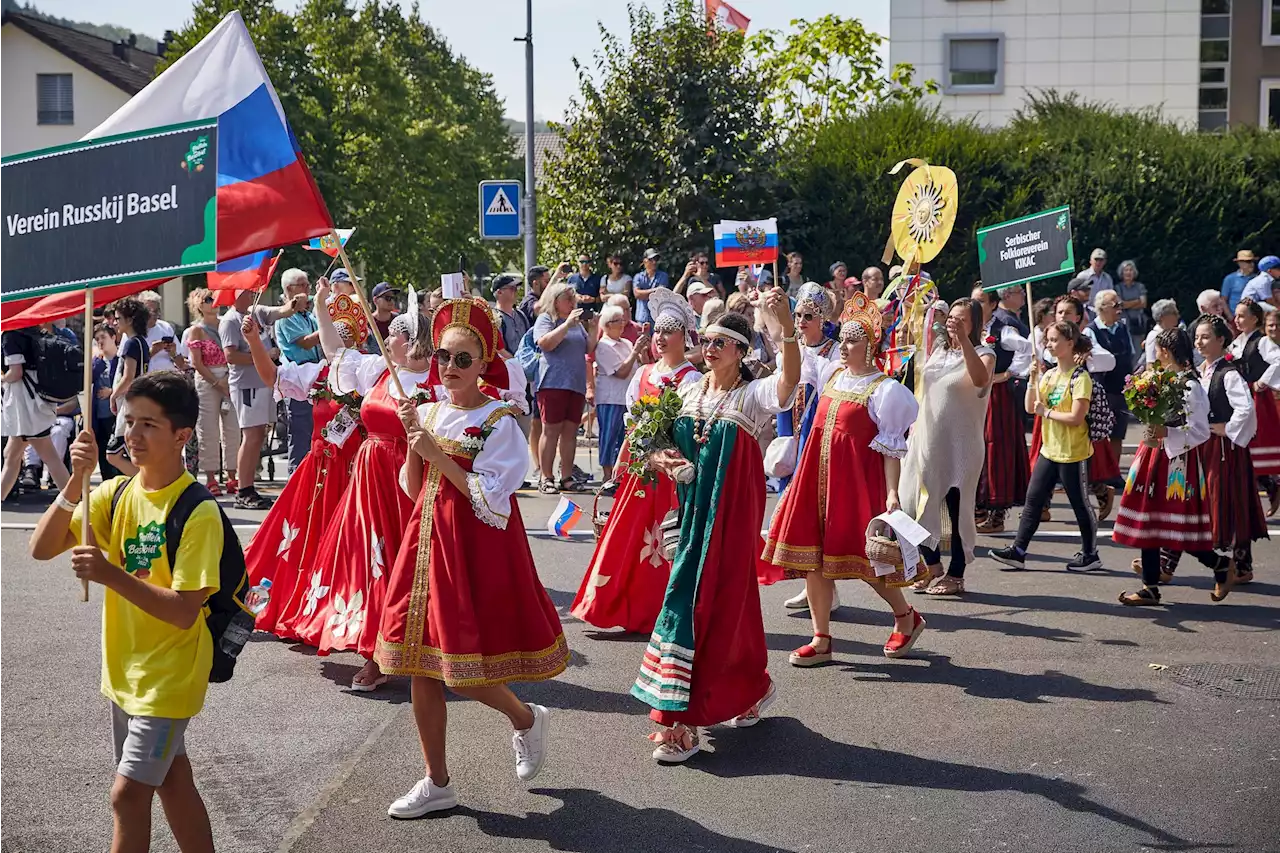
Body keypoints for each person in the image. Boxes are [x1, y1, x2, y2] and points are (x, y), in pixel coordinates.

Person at [378, 299, 567, 818]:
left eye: (463, 359)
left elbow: (492, 501)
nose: (450, 368)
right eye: (443, 357)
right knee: (420, 666)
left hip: (473, 547)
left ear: (485, 363)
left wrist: (437, 454)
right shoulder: (431, 411)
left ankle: (527, 719)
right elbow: (415, 490)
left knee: (464, 668)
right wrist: (415, 445)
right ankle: (436, 781)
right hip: (426, 544)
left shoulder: (500, 419)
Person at [30, 373, 219, 853]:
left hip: (168, 678)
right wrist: (76, 479)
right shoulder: (113, 495)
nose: (132, 435)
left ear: (181, 435)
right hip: (123, 672)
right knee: (173, 780)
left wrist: (110, 574)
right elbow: (41, 547)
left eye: (148, 425)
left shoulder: (197, 510)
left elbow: (183, 612)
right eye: (128, 421)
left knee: (127, 795)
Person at [634, 300, 799, 764]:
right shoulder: (685, 391)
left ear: (740, 351)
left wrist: (785, 327)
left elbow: (787, 382)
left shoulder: (751, 396)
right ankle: (701, 707)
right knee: (695, 600)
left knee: (721, 600)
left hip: (730, 518)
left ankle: (699, 708)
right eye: (704, 340)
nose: (708, 348)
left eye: (719, 342)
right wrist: (661, 457)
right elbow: (653, 441)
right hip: (689, 517)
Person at [276, 282, 433, 691]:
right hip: (367, 478)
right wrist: (321, 307)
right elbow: (334, 352)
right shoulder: (378, 370)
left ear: (410, 341)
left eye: (395, 333)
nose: (387, 337)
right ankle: (373, 654)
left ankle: (421, 646)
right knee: (366, 564)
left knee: (405, 564)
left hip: (406, 480)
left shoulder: (433, 384)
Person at [762, 291, 923, 663]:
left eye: (854, 340)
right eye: (845, 338)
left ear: (870, 346)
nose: (846, 345)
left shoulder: (885, 391)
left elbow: (891, 449)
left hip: (852, 486)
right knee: (812, 559)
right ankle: (821, 638)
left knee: (868, 561)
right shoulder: (828, 371)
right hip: (813, 479)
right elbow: (791, 358)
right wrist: (785, 322)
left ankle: (906, 617)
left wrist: (893, 494)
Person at [242, 296, 368, 644]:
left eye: (344, 335)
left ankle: (338, 616)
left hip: (356, 475)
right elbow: (271, 377)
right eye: (332, 333)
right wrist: (254, 341)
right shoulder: (316, 374)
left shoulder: (367, 373)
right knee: (294, 542)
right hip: (317, 471)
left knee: (351, 550)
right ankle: (284, 605)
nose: (336, 341)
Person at [572, 290, 699, 635]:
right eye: (657, 331)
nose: (660, 338)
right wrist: (620, 465)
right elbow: (632, 427)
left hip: (671, 475)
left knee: (663, 541)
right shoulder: (643, 373)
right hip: (640, 473)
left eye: (668, 331)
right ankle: (612, 606)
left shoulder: (692, 380)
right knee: (627, 538)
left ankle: (659, 611)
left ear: (684, 338)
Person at [1158, 314, 1268, 587]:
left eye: (1206, 337)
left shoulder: (1228, 374)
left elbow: (1246, 409)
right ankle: (1167, 563)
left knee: (1227, 503)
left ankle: (1240, 564)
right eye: (1197, 337)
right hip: (1199, 446)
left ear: (1221, 340)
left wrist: (1226, 428)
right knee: (1192, 502)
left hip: (1222, 450)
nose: (1199, 342)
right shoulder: (1200, 373)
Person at [1115, 328, 1216, 605]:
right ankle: (1149, 587)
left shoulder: (1190, 386)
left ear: (1166, 352)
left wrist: (1166, 433)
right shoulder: (1162, 379)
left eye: (1158, 349)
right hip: (1153, 456)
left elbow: (1201, 431)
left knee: (1177, 528)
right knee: (1149, 523)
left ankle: (1219, 565)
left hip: (1176, 462)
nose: (1155, 354)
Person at [991, 321, 1101, 572]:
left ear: (1070, 343)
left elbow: (1076, 417)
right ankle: (1018, 550)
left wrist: (1047, 413)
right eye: (1048, 340)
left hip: (1073, 452)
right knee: (1033, 500)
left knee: (1079, 503)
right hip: (1049, 450)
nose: (1049, 344)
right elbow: (1031, 407)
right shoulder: (1049, 375)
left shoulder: (1080, 377)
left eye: (1054, 340)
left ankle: (1090, 554)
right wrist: (1032, 379)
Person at [905, 298, 996, 597]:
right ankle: (931, 563)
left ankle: (956, 573)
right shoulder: (938, 352)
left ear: (975, 325)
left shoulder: (985, 353)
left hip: (961, 446)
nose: (954, 324)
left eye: (963, 320)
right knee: (911, 504)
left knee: (957, 510)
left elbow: (981, 379)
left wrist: (966, 342)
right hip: (927, 442)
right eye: (952, 319)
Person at [776, 284, 842, 611]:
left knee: (818, 513)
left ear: (822, 319)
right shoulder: (794, 348)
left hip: (821, 436)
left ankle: (825, 590)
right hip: (795, 431)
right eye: (798, 315)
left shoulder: (834, 351)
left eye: (808, 316)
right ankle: (812, 586)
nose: (801, 321)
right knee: (799, 512)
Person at [220, 290, 297, 510]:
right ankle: (243, 490)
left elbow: (281, 311)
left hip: (263, 384)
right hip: (246, 385)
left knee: (257, 435)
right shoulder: (230, 321)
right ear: (235, 294)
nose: (254, 293)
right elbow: (231, 356)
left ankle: (248, 487)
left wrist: (293, 303)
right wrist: (262, 356)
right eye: (248, 291)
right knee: (251, 435)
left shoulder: (258, 312)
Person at [533, 282, 596, 493]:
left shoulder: (576, 323)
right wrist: (566, 324)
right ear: (555, 300)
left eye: (573, 298)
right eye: (567, 299)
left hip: (574, 383)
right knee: (550, 431)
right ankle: (546, 476)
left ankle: (566, 476)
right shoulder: (546, 319)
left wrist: (594, 328)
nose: (572, 302)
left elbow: (588, 348)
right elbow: (544, 343)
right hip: (553, 382)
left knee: (570, 432)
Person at [0, 325, 73, 501]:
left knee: (47, 455)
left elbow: (15, 372)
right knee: (11, 454)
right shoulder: (33, 330)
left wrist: (2, 378)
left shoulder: (11, 335)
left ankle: (74, 501)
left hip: (25, 403)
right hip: (36, 400)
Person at [183, 289, 240, 496]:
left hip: (229, 377)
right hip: (208, 381)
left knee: (233, 429)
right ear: (198, 305)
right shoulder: (196, 331)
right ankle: (211, 477)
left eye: (214, 299)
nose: (213, 303)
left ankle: (233, 475)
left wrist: (226, 380)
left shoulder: (226, 323)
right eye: (208, 300)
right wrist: (217, 382)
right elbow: (196, 362)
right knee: (208, 430)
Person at [1231, 298, 1280, 512]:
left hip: (1257, 398)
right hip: (1240, 398)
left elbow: (1279, 359)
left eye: (1242, 316)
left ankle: (1269, 486)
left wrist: (1263, 381)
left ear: (1254, 318)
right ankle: (1268, 487)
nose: (1237, 320)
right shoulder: (1236, 342)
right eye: (1236, 315)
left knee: (1257, 444)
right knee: (1244, 448)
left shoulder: (1261, 341)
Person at [275, 271, 324, 473]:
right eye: (302, 285)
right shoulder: (285, 316)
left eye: (308, 285)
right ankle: (296, 479)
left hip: (313, 375)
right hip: (297, 380)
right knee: (300, 432)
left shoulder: (308, 315)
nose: (308, 289)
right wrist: (329, 329)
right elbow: (304, 343)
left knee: (313, 431)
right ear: (289, 290)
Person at [592, 304, 640, 484]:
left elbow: (636, 367)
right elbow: (621, 372)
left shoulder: (626, 343)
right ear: (607, 324)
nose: (622, 324)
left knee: (624, 438)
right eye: (618, 321)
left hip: (626, 398)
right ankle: (607, 474)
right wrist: (635, 352)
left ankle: (620, 474)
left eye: (622, 320)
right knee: (609, 436)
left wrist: (639, 351)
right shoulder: (603, 346)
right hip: (610, 398)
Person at [105, 298, 152, 477]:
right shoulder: (142, 342)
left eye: (118, 318)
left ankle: (144, 482)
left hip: (131, 402)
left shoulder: (132, 343)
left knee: (113, 453)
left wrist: (113, 395)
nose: (115, 323)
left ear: (130, 320)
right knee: (131, 452)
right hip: (139, 400)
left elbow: (129, 377)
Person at [1089, 289, 1136, 466]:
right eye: (1115, 305)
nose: (1120, 309)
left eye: (1120, 304)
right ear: (1102, 308)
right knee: (1100, 435)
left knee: (1118, 434)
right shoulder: (1091, 331)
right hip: (1102, 390)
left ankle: (1115, 472)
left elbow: (1130, 353)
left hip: (1121, 389)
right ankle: (1100, 473)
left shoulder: (1123, 327)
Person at [92, 324, 121, 480]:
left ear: (113, 337)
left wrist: (112, 392)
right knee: (103, 452)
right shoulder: (97, 361)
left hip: (116, 414)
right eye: (97, 339)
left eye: (103, 337)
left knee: (117, 451)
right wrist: (98, 362)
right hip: (99, 415)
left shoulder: (121, 360)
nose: (100, 342)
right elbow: (88, 380)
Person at [138, 291, 186, 374]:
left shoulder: (166, 327)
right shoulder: (132, 330)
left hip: (167, 379)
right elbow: (129, 364)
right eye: (149, 311)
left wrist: (173, 353)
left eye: (156, 311)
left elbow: (181, 364)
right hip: (145, 381)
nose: (153, 314)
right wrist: (151, 352)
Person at [1115, 260, 1148, 347]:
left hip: (1138, 322)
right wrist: (1137, 301)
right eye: (1126, 270)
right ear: (1122, 272)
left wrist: (1127, 304)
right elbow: (1121, 305)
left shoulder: (1140, 286)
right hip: (1124, 321)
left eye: (1131, 270)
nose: (1128, 272)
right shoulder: (1118, 287)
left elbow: (1144, 304)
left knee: (1138, 348)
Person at [632, 248, 669, 326]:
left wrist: (643, 293)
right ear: (645, 261)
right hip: (642, 319)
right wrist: (656, 290)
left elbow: (660, 294)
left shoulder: (663, 276)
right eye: (651, 259)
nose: (654, 262)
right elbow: (637, 294)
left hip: (657, 318)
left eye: (656, 259)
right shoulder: (638, 277)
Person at [1143, 299, 1181, 367]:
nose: (1178, 316)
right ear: (1162, 317)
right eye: (1174, 313)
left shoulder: (1175, 333)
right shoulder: (1154, 335)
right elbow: (1150, 364)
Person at [368, 281, 401, 346]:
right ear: (375, 300)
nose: (392, 301)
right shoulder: (367, 323)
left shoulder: (399, 321)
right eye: (388, 298)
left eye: (393, 298)